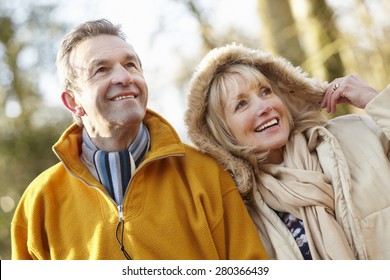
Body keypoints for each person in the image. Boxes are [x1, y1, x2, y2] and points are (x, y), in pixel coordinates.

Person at [10, 20, 268, 260]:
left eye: (131, 65)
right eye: (101, 69)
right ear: (73, 102)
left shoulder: (206, 175)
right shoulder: (38, 203)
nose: (124, 77)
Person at [185, 43, 390, 260]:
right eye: (241, 104)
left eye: (265, 91)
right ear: (222, 132)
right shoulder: (242, 217)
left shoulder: (358, 132)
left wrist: (376, 101)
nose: (264, 107)